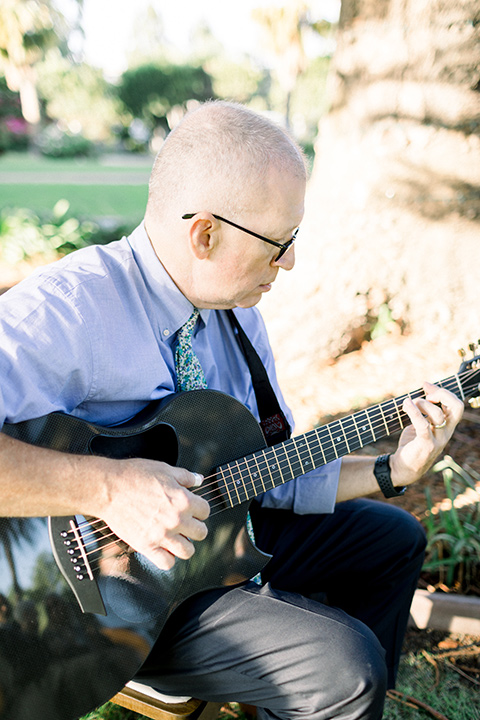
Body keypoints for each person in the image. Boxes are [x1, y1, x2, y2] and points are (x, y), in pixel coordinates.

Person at [0, 101, 464, 720]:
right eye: (280, 243)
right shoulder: (65, 311)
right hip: (89, 606)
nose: (291, 261)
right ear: (205, 233)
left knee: (393, 538)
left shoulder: (238, 316)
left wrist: (390, 472)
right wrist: (108, 488)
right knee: (344, 669)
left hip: (207, 548)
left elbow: (265, 468)